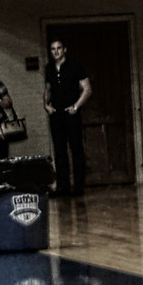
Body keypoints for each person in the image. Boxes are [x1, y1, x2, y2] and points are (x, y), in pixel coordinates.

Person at [43, 38, 92, 196]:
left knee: (76, 149)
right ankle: (63, 186)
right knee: (59, 150)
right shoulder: (49, 68)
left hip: (71, 113)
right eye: (52, 49)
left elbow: (87, 89)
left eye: (58, 48)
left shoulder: (75, 66)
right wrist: (46, 105)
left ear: (65, 49)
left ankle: (78, 186)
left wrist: (76, 106)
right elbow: (48, 88)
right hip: (56, 114)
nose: (56, 51)